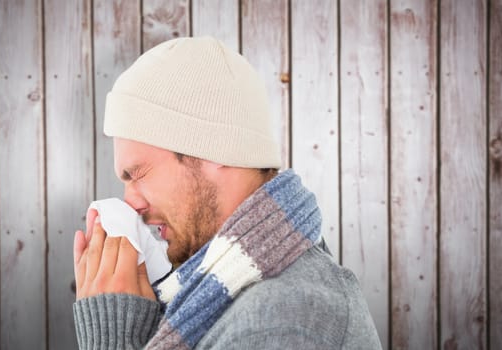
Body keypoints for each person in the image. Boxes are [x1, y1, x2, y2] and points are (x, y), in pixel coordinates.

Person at [72, 36, 382, 349]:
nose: (131, 202)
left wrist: (110, 338)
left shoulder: (280, 322)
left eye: (137, 173)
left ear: (210, 149)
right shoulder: (240, 296)